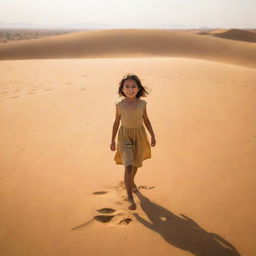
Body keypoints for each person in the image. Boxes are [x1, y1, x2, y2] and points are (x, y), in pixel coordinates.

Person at [110, 74, 156, 210]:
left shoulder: (142, 104)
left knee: (136, 164)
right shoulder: (119, 105)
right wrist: (112, 140)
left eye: (133, 86)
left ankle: (131, 181)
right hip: (124, 137)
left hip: (139, 136)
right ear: (122, 89)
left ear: (138, 89)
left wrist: (153, 135)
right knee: (128, 165)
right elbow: (116, 122)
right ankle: (130, 197)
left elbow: (146, 120)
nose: (130, 89)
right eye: (127, 87)